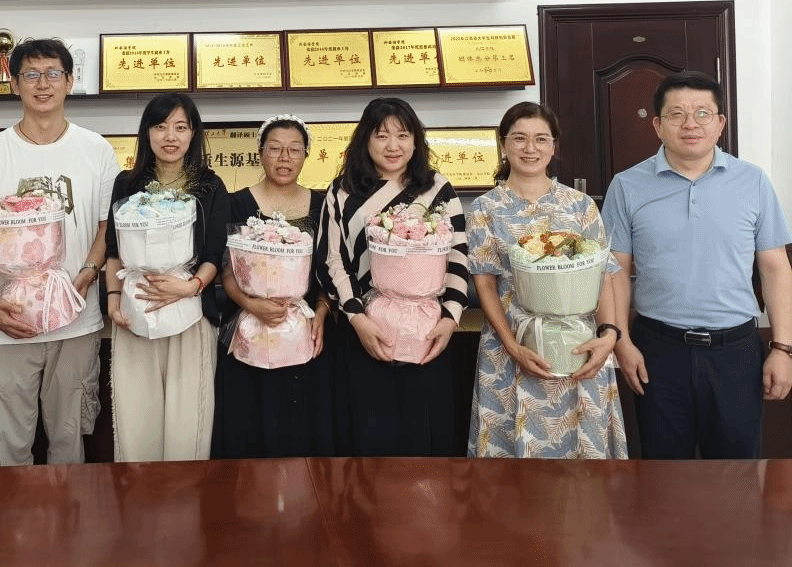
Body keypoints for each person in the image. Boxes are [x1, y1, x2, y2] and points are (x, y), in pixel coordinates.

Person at [601, 70, 792, 459]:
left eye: (702, 113)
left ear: (720, 123)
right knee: (663, 471)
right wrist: (621, 342)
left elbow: (775, 268)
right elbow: (614, 271)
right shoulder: (627, 185)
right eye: (676, 114)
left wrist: (782, 348)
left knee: (736, 473)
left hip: (735, 350)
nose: (690, 124)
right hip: (657, 350)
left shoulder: (753, 181)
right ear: (658, 125)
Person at [0, 38, 120, 466]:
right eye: (31, 75)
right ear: (14, 83)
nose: (43, 84)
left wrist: (88, 271)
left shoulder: (96, 150)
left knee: (69, 443)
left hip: (76, 318)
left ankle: (69, 514)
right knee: (10, 444)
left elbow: (107, 226)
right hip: (7, 321)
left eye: (53, 74)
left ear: (70, 81)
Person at [466, 102, 627, 458]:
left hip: (579, 346)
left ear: (554, 145)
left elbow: (603, 276)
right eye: (519, 138)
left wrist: (609, 336)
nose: (530, 148)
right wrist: (513, 347)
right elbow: (485, 284)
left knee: (583, 460)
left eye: (541, 139)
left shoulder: (580, 205)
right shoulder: (484, 208)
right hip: (512, 346)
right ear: (503, 144)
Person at [318, 97, 470, 457]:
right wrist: (357, 318)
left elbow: (458, 255)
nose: (393, 145)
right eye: (381, 135)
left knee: (425, 437)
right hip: (364, 333)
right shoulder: (343, 191)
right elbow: (333, 259)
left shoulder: (437, 188)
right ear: (365, 139)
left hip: (428, 331)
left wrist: (449, 319)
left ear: (415, 141)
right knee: (368, 438)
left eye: (402, 135)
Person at [104, 92, 230, 461]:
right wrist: (113, 300)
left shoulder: (210, 185)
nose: (170, 136)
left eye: (180, 127)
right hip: (134, 311)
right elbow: (113, 249)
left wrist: (190, 287)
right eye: (160, 127)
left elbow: (215, 254)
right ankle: (138, 494)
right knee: (136, 420)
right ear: (147, 133)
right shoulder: (127, 184)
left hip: (190, 314)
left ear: (193, 133)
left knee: (186, 422)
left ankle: (185, 496)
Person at [212, 114, 334, 459]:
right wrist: (250, 304)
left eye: (294, 149)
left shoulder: (322, 205)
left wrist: (321, 313)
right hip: (250, 327)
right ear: (260, 153)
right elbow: (226, 270)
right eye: (275, 149)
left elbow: (329, 269)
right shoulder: (236, 203)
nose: (284, 158)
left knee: (301, 425)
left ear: (306, 155)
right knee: (249, 424)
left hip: (305, 330)